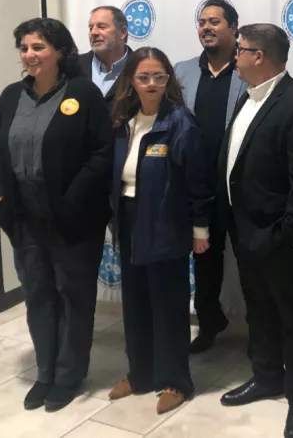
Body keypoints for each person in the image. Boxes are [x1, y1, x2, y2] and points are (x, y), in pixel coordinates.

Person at [0, 18, 113, 412]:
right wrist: (2, 201)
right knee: (38, 295)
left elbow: (101, 154)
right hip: (24, 218)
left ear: (60, 51)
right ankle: (45, 371)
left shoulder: (83, 94)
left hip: (74, 220)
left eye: (39, 47)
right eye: (24, 48)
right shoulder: (10, 97)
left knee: (73, 297)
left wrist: (71, 202)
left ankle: (69, 373)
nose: (30, 55)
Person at [218, 24, 293, 438]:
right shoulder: (247, 97)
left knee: (292, 318)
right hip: (244, 230)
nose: (235, 58)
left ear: (258, 56)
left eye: (240, 51)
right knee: (258, 310)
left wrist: (286, 234)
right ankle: (266, 377)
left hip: (281, 237)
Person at [106, 47, 213, 415]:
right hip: (130, 217)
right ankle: (140, 374)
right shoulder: (123, 120)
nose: (151, 84)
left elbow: (198, 181)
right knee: (135, 304)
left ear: (169, 80)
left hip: (167, 222)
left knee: (168, 306)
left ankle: (175, 380)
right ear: (131, 81)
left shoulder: (180, 122)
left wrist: (200, 228)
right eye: (143, 77)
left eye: (159, 77)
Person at [175, 0, 247, 354]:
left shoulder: (251, 68)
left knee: (251, 259)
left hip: (241, 185)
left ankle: (262, 331)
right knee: (204, 258)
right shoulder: (183, 71)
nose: (206, 27)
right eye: (202, 22)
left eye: (215, 22)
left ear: (234, 28)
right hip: (198, 186)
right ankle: (208, 322)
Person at [79, 6, 132, 105]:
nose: (93, 32)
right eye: (91, 28)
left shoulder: (139, 66)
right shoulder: (74, 66)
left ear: (123, 32)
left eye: (101, 27)